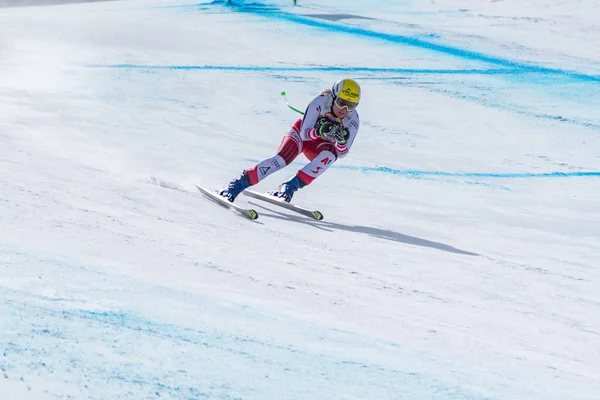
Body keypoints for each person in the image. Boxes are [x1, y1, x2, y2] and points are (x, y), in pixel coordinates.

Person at [219, 78, 361, 203]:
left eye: (351, 105)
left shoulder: (353, 119)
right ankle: (237, 185)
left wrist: (341, 141)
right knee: (280, 160)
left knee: (330, 156)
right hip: (301, 136)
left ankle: (289, 186)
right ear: (333, 97)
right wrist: (319, 130)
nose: (344, 109)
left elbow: (342, 153)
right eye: (341, 102)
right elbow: (304, 134)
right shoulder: (320, 101)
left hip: (320, 145)